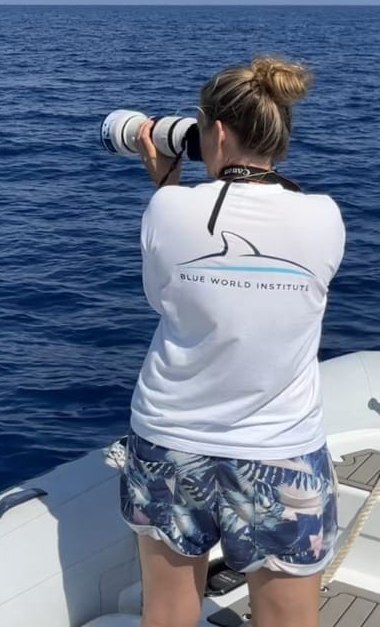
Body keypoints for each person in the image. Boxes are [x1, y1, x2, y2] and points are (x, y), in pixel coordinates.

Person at [119, 56, 345, 627]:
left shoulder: (168, 207)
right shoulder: (324, 216)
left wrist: (167, 181)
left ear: (216, 131)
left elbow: (163, 300)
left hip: (169, 441)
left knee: (168, 614)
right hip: (281, 449)